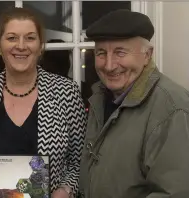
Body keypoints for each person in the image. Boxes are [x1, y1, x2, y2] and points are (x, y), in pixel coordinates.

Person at [0, 7, 87, 198]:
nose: (21, 45)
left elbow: (80, 161)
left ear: (40, 46)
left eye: (30, 38)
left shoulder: (66, 93)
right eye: (11, 38)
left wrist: (66, 190)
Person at [79, 9, 189, 198]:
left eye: (120, 52)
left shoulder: (172, 108)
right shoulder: (100, 96)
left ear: (147, 55)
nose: (109, 65)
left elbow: (175, 193)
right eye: (101, 53)